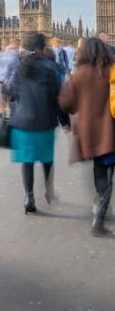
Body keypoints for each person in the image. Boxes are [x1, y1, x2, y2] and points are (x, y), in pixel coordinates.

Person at [59, 37, 115, 236]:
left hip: (92, 134)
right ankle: (101, 208)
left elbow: (65, 103)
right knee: (110, 171)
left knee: (100, 169)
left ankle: (99, 211)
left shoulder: (79, 75)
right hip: (112, 130)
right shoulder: (112, 70)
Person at [9, 34, 67, 214]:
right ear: (41, 48)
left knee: (27, 161)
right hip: (44, 120)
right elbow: (57, 97)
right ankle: (48, 191)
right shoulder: (50, 67)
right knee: (46, 158)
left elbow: (12, 93)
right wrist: (65, 121)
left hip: (22, 123)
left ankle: (29, 196)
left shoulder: (20, 67)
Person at [0, 38, 21, 112]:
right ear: (16, 44)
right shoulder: (14, 53)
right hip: (9, 81)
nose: (19, 46)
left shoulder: (4, 52)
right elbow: (15, 69)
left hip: (2, 79)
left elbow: (0, 65)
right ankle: (5, 114)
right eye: (18, 45)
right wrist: (9, 81)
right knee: (11, 99)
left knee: (4, 98)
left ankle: (2, 112)